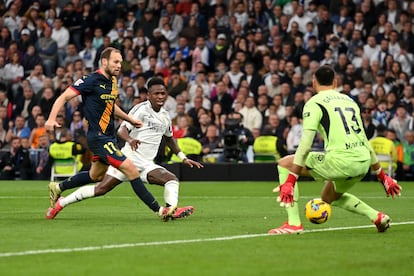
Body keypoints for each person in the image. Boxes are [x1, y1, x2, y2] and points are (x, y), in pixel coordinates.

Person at [46, 77, 203, 220]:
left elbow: (169, 139)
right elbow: (121, 130)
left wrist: (183, 157)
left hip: (147, 164)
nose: (160, 96)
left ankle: (170, 210)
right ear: (149, 95)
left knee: (172, 179)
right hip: (128, 159)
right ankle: (61, 203)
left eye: (163, 93)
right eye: (156, 93)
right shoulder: (141, 109)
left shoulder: (165, 116)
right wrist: (130, 139)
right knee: (101, 189)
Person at [269, 66, 402, 235]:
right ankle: (377, 217)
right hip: (362, 163)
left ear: (314, 82)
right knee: (328, 197)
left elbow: (305, 145)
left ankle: (293, 224)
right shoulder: (350, 101)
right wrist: (383, 177)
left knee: (284, 164)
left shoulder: (314, 103)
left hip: (341, 161)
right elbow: (364, 140)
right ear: (335, 82)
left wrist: (290, 181)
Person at [45, 47, 173, 221]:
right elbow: (63, 97)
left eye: (120, 62)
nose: (119, 65)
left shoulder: (113, 81)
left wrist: (130, 119)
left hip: (109, 136)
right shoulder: (90, 80)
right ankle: (160, 210)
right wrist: (51, 119)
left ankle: (58, 188)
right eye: (116, 61)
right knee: (130, 169)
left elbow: (111, 107)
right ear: (104, 62)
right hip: (98, 137)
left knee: (95, 175)